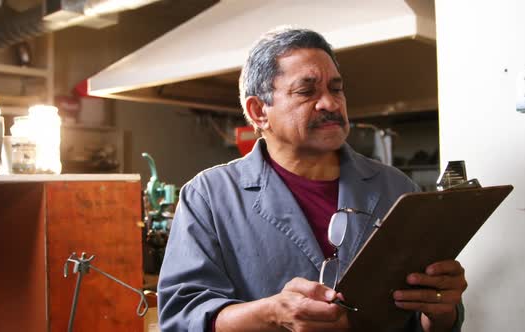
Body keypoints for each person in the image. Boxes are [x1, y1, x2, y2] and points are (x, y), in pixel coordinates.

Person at [158, 27, 467, 332]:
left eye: (336, 88)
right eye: (307, 91)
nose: (331, 104)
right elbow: (181, 319)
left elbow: (420, 318)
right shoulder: (208, 197)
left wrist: (441, 312)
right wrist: (271, 314)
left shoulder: (396, 189)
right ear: (258, 111)